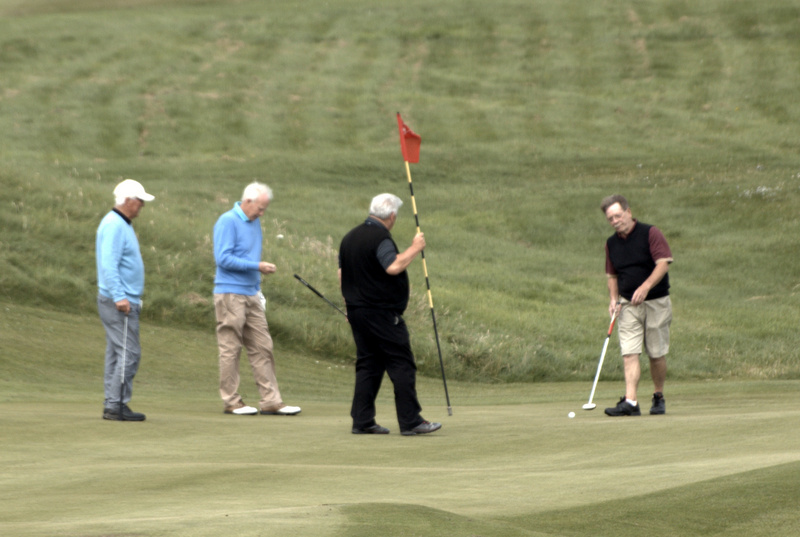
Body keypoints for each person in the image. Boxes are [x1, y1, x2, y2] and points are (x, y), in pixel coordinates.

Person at [338, 193, 442, 436]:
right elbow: (393, 266)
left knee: (369, 364)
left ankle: (362, 420)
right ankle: (411, 421)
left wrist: (347, 305)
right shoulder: (380, 237)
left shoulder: (349, 237)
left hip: (357, 312)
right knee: (401, 363)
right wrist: (415, 248)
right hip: (381, 313)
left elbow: (342, 274)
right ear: (392, 216)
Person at [213, 182, 301, 416]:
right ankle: (232, 402)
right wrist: (257, 266)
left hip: (251, 292)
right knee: (230, 347)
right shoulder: (227, 221)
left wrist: (257, 288)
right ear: (248, 201)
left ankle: (271, 401)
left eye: (264, 209)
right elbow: (223, 258)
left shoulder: (255, 222)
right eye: (260, 208)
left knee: (263, 346)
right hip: (230, 293)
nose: (262, 213)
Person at [601, 194, 673, 417]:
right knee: (629, 352)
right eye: (610, 218)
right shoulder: (611, 243)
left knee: (656, 353)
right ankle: (631, 401)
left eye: (618, 216)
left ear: (628, 212)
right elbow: (612, 275)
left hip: (656, 301)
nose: (615, 221)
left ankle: (658, 396)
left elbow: (664, 263)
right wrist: (613, 299)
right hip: (627, 304)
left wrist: (646, 286)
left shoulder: (650, 233)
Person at [96, 179, 155, 421]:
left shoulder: (122, 223)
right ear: (128, 200)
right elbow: (108, 264)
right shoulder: (114, 225)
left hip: (121, 299)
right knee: (129, 353)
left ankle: (113, 402)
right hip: (118, 301)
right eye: (140, 201)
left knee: (116, 353)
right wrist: (120, 296)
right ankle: (116, 404)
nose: (142, 205)